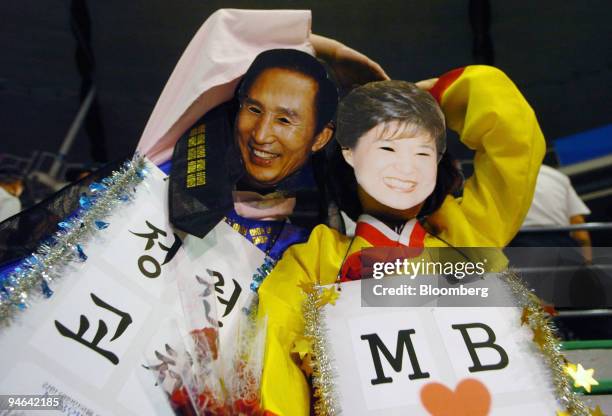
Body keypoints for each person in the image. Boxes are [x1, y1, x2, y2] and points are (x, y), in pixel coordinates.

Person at [257, 65, 546, 415]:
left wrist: (436, 96)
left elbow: (517, 141)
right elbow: (275, 350)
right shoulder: (315, 256)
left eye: (422, 154)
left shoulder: (464, 233)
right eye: (387, 151)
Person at [511, 164, 592, 263]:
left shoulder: (498, 174)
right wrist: (587, 262)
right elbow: (578, 225)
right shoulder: (557, 176)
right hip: (564, 245)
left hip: (523, 245)